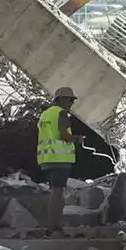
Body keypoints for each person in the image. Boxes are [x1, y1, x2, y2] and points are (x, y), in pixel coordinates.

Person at [37, 86, 82, 230]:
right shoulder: (61, 113)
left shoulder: (45, 114)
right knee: (57, 192)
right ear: (61, 99)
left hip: (47, 158)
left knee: (57, 191)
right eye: (70, 100)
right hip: (59, 158)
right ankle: (53, 226)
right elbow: (64, 135)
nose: (71, 103)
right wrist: (77, 139)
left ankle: (55, 223)